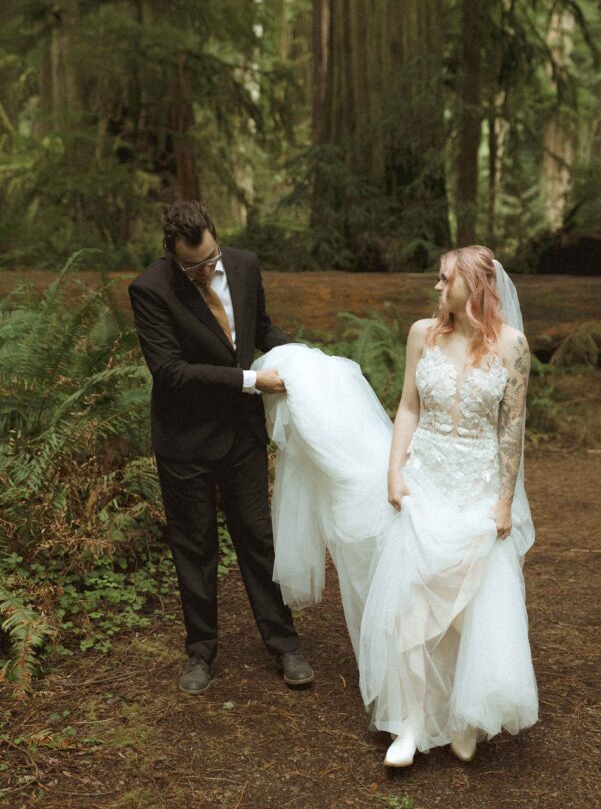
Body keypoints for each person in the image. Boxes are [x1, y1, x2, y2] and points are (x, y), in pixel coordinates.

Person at [253, 246, 538, 766]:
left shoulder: (513, 347)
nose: (435, 287)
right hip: (424, 477)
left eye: (443, 278)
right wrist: (394, 470)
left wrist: (503, 501)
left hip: (477, 485)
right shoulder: (422, 334)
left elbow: (511, 429)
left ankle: (465, 716)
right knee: (409, 599)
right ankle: (407, 723)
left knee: (470, 604)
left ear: (472, 286)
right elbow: (408, 405)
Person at [128, 200, 314, 694]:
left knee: (257, 539)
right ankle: (201, 650)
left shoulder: (246, 265)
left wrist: (302, 361)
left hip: (241, 437)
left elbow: (260, 330)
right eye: (194, 265)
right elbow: (169, 372)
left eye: (211, 258)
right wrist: (252, 379)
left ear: (216, 235)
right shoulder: (150, 288)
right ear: (172, 253)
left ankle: (284, 644)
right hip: (184, 441)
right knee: (194, 546)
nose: (206, 270)